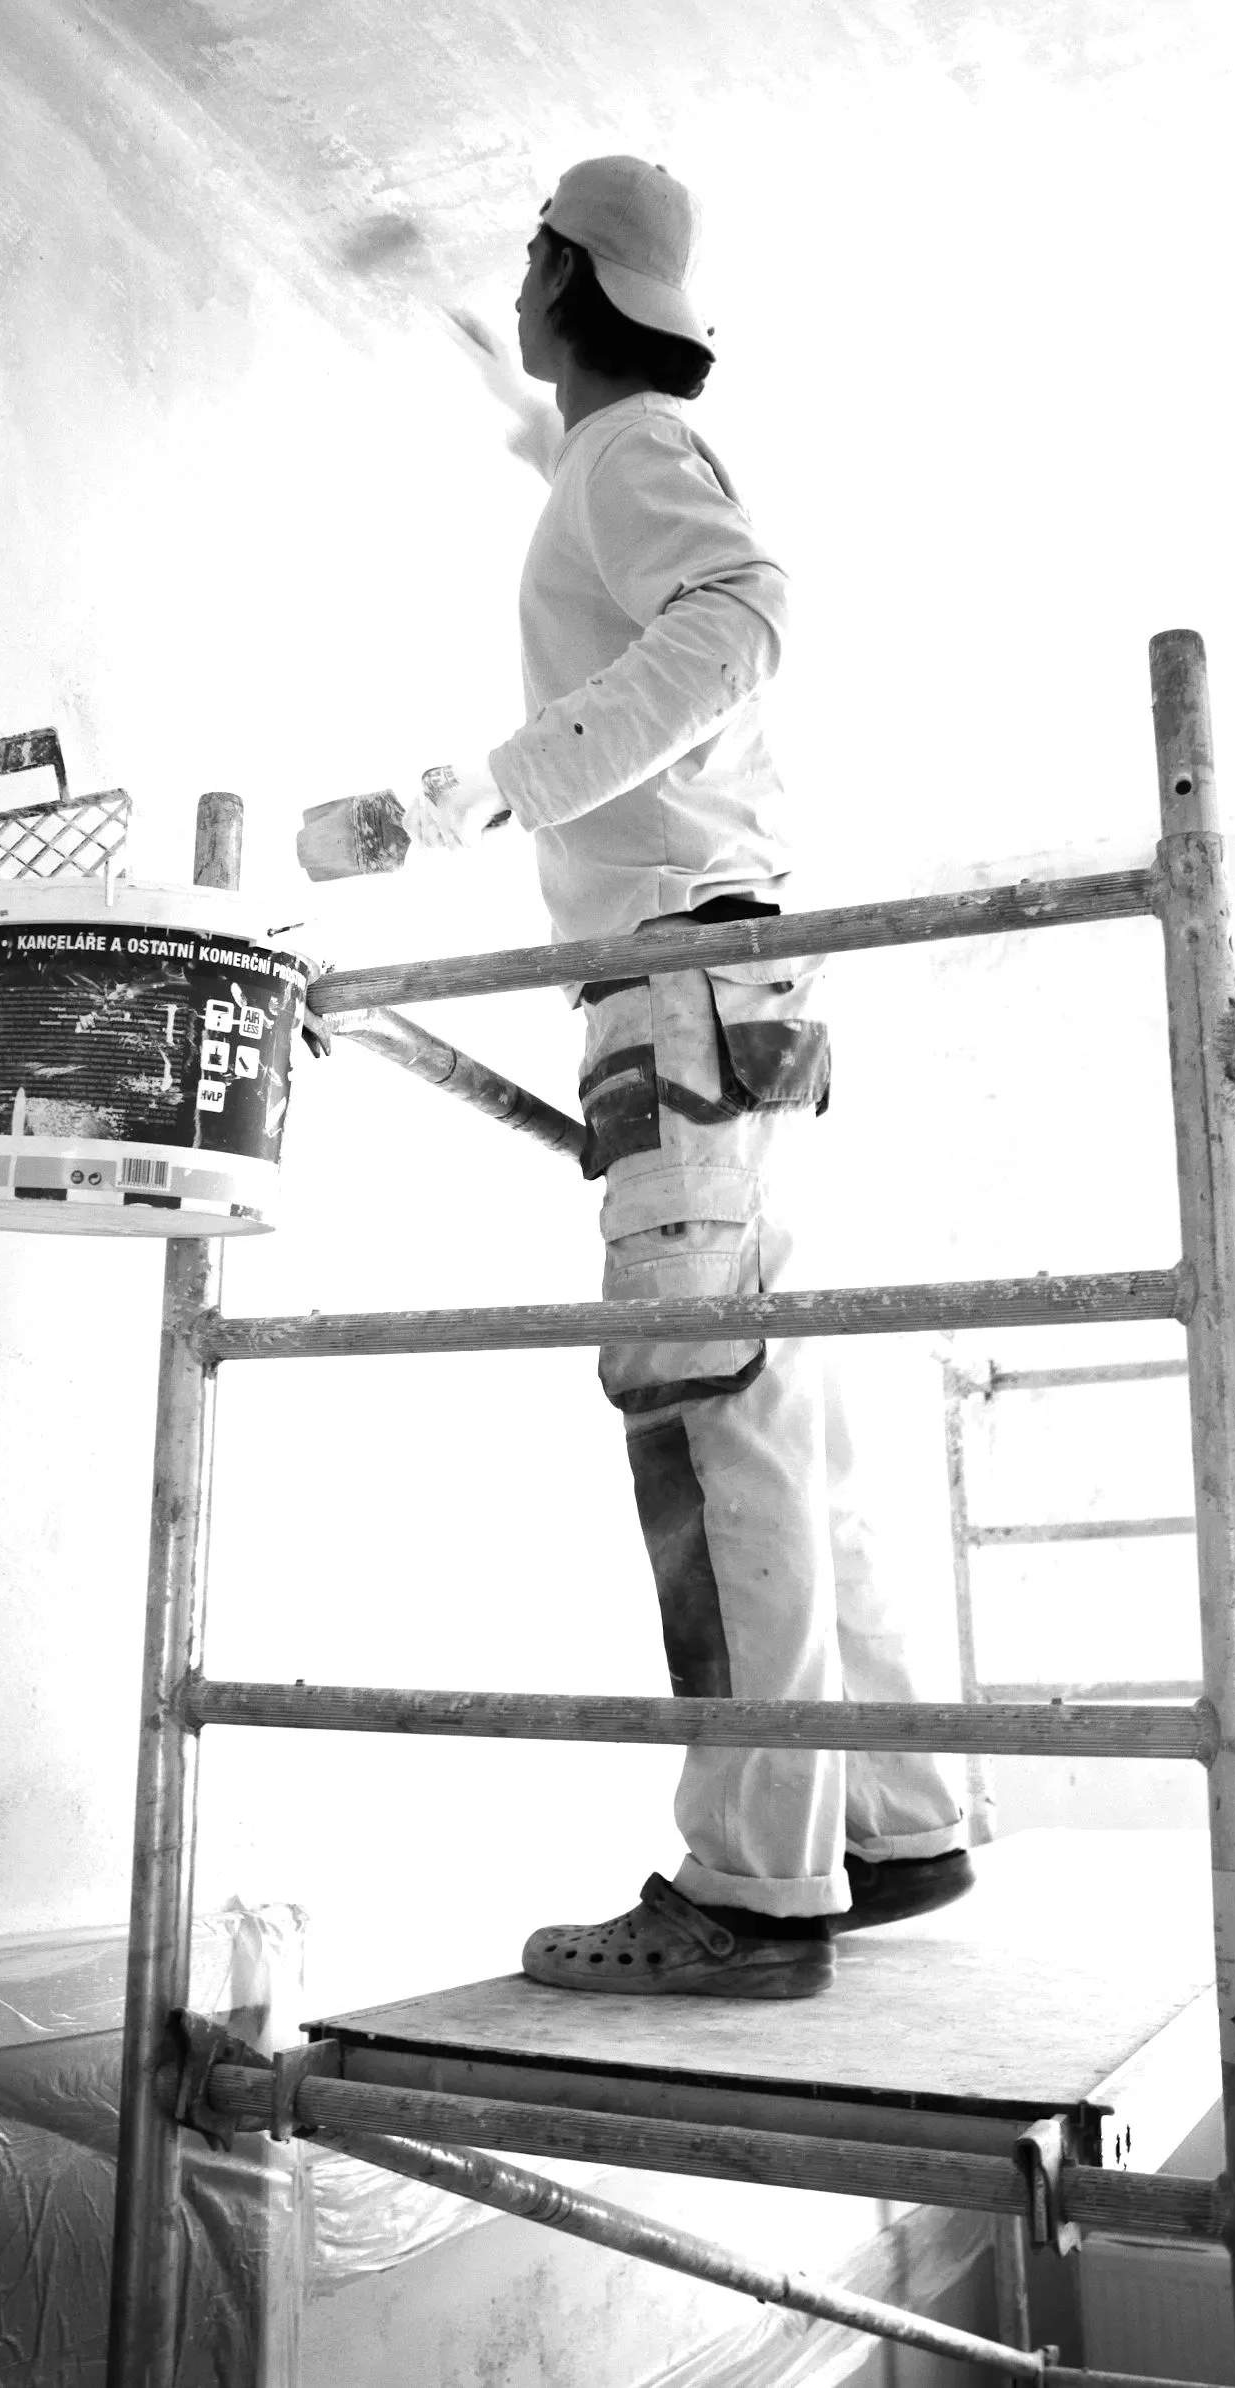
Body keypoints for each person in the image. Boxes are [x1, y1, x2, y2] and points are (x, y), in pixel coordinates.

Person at [404, 157, 971, 2000]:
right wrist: (518, 403)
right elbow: (616, 509)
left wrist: (486, 791)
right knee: (783, 1416)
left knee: (706, 1426)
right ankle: (890, 1823)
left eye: (525, 264)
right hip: (738, 986)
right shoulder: (613, 447)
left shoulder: (630, 452)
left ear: (566, 274)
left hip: (673, 986)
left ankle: (749, 1893)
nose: (513, 290)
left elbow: (737, 618)